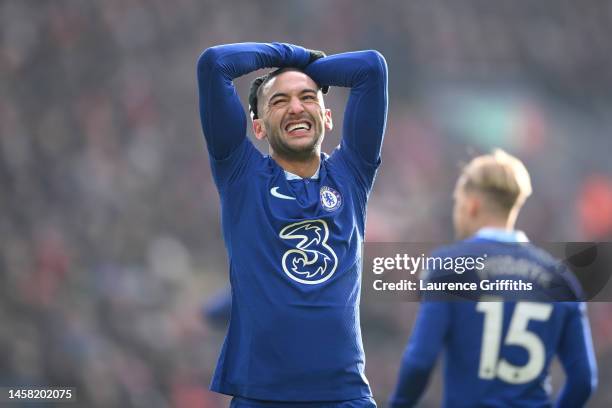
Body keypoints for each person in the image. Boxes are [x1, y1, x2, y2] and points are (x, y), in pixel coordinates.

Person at [197, 42, 387, 407]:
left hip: (345, 397)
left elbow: (372, 69)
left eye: (307, 98)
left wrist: (305, 69)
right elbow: (215, 64)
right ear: (258, 127)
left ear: (328, 118)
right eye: (279, 101)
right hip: (262, 397)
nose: (296, 107)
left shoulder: (351, 174)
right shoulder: (241, 175)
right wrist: (293, 57)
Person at [389, 150, 597, 407]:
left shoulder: (449, 267)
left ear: (472, 204)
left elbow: (420, 362)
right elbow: (584, 379)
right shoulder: (561, 278)